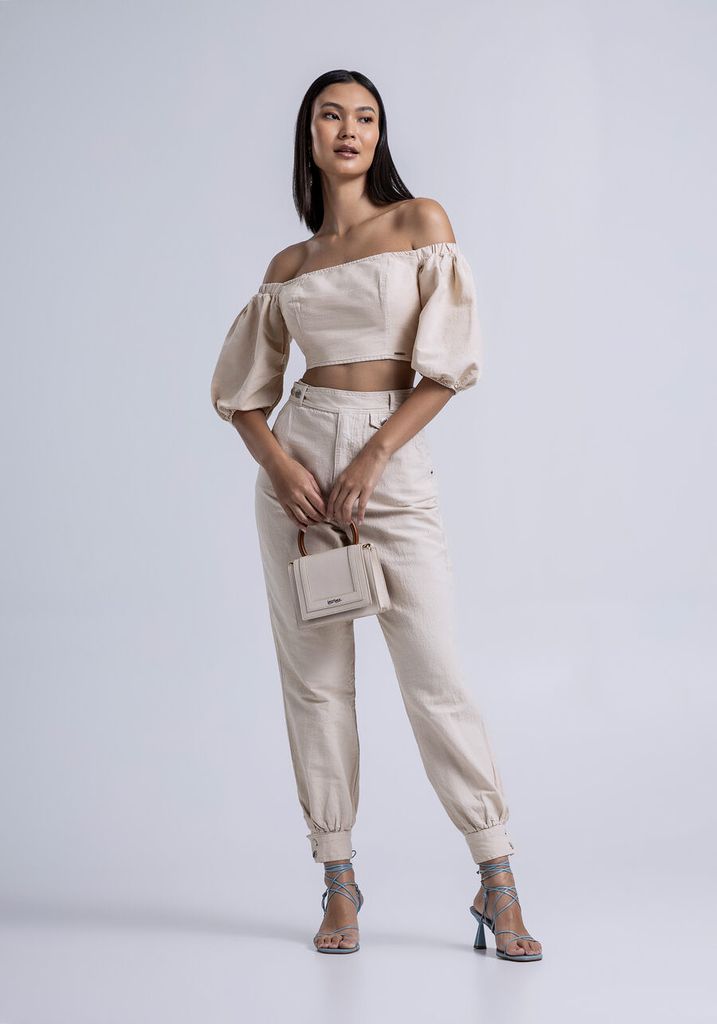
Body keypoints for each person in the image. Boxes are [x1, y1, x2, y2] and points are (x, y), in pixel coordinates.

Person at [210, 69, 542, 962]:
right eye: (331, 115)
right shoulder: (288, 268)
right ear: (310, 136)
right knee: (316, 682)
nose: (348, 128)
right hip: (298, 465)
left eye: (364, 116)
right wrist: (278, 464)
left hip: (386, 461)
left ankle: (496, 875)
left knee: (435, 676)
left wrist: (373, 454)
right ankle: (338, 879)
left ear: (378, 134)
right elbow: (241, 393)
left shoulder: (418, 223)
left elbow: (447, 365)